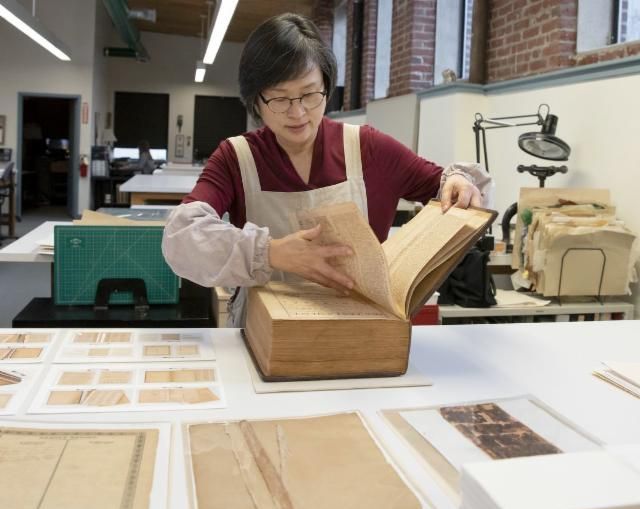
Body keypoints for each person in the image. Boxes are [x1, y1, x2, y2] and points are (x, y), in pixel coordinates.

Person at [162, 13, 492, 326]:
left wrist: (459, 181)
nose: (298, 113)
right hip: (263, 334)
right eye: (280, 98)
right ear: (255, 100)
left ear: (326, 85)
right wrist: (271, 252)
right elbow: (181, 237)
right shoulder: (237, 158)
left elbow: (448, 190)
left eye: (309, 94)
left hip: (356, 332)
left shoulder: (368, 149)